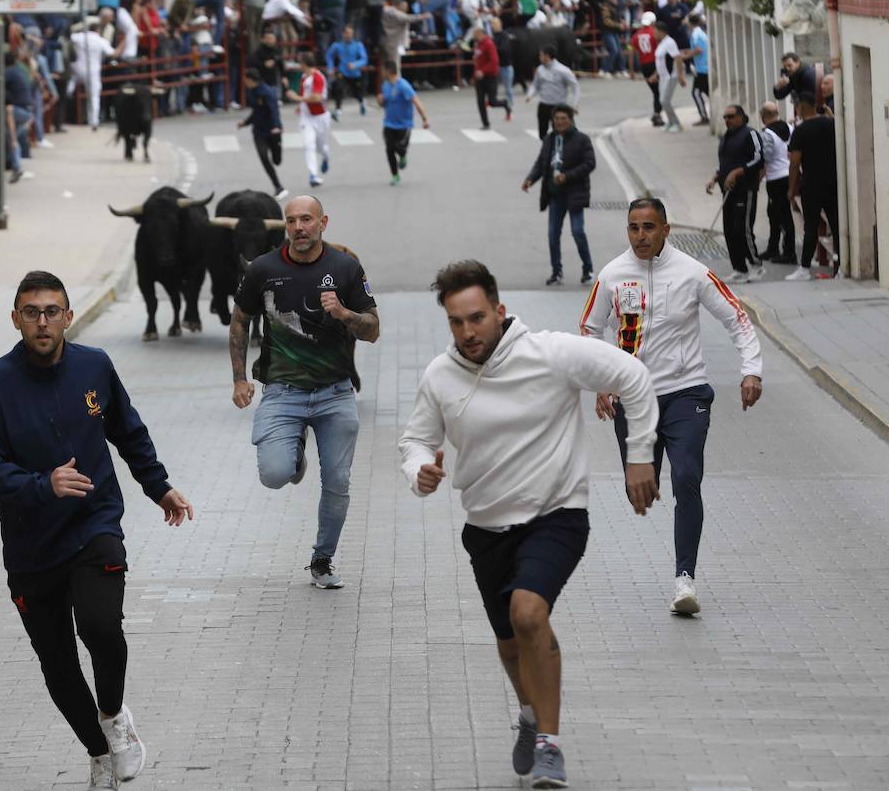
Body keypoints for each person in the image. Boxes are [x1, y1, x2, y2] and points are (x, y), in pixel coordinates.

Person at [401, 259, 658, 789]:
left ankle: (549, 744)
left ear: (499, 310)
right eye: (456, 322)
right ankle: (528, 713)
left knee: (529, 613)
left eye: (476, 318)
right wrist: (418, 469)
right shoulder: (440, 376)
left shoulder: (551, 353)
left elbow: (632, 376)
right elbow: (415, 439)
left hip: (556, 514)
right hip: (486, 525)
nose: (468, 332)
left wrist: (639, 456)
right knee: (509, 641)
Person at [0, 270, 194, 791]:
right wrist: (42, 484)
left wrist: (159, 488)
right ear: (16, 319)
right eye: (31, 312)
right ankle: (99, 753)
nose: (42, 322)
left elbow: (128, 431)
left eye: (52, 312)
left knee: (101, 626)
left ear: (68, 316)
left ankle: (113, 717)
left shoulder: (95, 366)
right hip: (30, 545)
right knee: (59, 665)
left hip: (94, 524)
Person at [582, 198, 764, 614]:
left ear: (666, 229)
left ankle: (685, 580)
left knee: (686, 479)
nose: (640, 236)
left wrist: (751, 370)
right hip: (634, 398)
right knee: (639, 490)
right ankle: (643, 476)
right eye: (633, 228)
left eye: (649, 227)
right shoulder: (612, 275)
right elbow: (590, 329)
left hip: (686, 392)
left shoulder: (693, 273)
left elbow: (736, 317)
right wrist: (601, 381)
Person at [229, 195, 379, 589]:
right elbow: (240, 321)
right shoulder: (264, 269)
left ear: (322, 222)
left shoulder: (345, 267)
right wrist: (240, 379)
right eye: (292, 221)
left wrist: (344, 313)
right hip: (283, 393)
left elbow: (373, 330)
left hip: (335, 394)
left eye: (307, 219)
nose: (299, 227)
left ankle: (322, 560)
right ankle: (293, 455)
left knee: (338, 482)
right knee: (275, 475)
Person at [523, 105, 595, 287]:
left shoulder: (582, 139)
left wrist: (567, 176)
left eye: (564, 118)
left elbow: (589, 163)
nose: (560, 122)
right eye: (557, 119)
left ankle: (587, 268)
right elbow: (541, 163)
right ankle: (557, 271)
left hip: (575, 193)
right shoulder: (550, 139)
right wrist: (530, 179)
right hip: (555, 195)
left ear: (570, 119)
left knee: (577, 231)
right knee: (553, 234)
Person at [703, 104, 764, 282]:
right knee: (729, 230)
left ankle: (756, 265)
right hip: (727, 190)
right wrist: (715, 177)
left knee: (742, 229)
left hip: (745, 189)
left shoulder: (750, 134)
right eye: (725, 117)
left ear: (741, 117)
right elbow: (724, 162)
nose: (727, 120)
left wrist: (737, 172)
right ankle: (739, 268)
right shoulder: (725, 137)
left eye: (730, 116)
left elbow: (759, 159)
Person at [786, 99, 839, 281]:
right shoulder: (832, 124)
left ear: (800, 108)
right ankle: (840, 268)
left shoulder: (800, 131)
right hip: (834, 182)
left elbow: (794, 163)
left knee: (811, 227)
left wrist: (791, 189)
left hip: (811, 184)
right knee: (836, 224)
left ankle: (805, 268)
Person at [377, 58, 430, 187]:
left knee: (399, 147)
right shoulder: (385, 85)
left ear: (389, 71)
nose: (382, 73)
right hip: (389, 123)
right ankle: (395, 175)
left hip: (404, 124)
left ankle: (403, 155)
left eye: (383, 70)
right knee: (389, 149)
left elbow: (416, 101)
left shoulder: (403, 85)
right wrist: (381, 101)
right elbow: (385, 104)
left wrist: (425, 118)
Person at [236, 68, 286, 199]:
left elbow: (274, 110)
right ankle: (278, 186)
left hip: (272, 130)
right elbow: (256, 111)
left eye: (245, 79)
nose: (244, 82)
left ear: (250, 79)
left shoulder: (267, 92)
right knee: (264, 157)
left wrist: (276, 126)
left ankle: (277, 151)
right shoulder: (251, 92)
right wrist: (245, 123)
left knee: (277, 160)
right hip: (258, 132)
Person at [756, 102, 796, 264]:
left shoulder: (767, 134)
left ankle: (788, 253)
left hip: (775, 179)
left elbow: (764, 159)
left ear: (763, 117)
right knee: (775, 213)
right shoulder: (790, 128)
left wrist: (757, 181)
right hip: (788, 174)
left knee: (782, 215)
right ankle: (773, 248)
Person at [288, 51, 332, 188]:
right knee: (309, 145)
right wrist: (299, 105)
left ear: (305, 63)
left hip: (320, 117)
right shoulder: (303, 77)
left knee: (321, 147)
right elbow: (303, 93)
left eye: (300, 62)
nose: (298, 65)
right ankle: (313, 174)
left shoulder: (318, 77)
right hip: (306, 118)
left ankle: (326, 157)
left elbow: (317, 98)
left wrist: (297, 98)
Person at [71, 19, 116, 131]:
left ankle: (63, 114)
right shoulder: (100, 40)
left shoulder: (78, 36)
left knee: (69, 88)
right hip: (93, 72)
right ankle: (94, 121)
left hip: (77, 70)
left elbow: (68, 36)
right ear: (98, 30)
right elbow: (113, 53)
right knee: (94, 97)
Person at [525, 46, 579, 139]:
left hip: (559, 106)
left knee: (564, 133)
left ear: (547, 56)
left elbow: (575, 87)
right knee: (542, 134)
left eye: (541, 55)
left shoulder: (563, 70)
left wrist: (574, 104)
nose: (539, 57)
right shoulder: (540, 69)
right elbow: (535, 84)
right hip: (544, 105)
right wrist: (530, 95)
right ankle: (548, 151)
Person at [471, 25, 513, 129]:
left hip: (490, 77)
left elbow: (494, 61)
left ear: (481, 34)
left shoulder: (489, 44)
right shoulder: (478, 45)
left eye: (475, 34)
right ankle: (485, 123)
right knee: (480, 100)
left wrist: (483, 71)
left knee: (492, 101)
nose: (474, 36)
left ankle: (505, 104)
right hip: (479, 78)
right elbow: (477, 61)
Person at [326, 24, 368, 119]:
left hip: (355, 73)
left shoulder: (358, 45)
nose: (349, 35)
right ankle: (338, 110)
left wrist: (355, 64)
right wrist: (331, 67)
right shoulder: (337, 45)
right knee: (339, 88)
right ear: (343, 34)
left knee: (356, 93)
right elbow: (329, 55)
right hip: (343, 72)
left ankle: (362, 102)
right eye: (347, 33)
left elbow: (364, 59)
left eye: (350, 33)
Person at [652, 21, 685, 132]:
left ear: (661, 32)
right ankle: (670, 123)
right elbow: (660, 61)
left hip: (671, 76)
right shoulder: (662, 43)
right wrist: (655, 74)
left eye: (655, 31)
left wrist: (680, 75)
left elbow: (678, 58)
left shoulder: (670, 42)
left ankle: (677, 123)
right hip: (663, 77)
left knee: (665, 100)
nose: (653, 33)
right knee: (663, 101)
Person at [632, 12, 663, 125]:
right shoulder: (654, 34)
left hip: (644, 65)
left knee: (655, 91)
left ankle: (657, 113)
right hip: (654, 63)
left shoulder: (636, 35)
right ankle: (657, 114)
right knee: (659, 92)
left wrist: (632, 71)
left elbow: (632, 53)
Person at [688, 15, 711, 125]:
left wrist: (686, 56)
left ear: (690, 22)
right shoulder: (701, 33)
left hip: (702, 68)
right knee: (708, 91)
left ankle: (704, 116)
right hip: (705, 66)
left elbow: (698, 49)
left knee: (696, 92)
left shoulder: (695, 34)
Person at [492, 17, 516, 113]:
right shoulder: (494, 36)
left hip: (506, 65)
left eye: (494, 24)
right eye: (492, 24)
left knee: (507, 87)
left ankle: (510, 104)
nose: (492, 26)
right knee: (494, 85)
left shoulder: (504, 35)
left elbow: (504, 49)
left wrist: (494, 48)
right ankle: (494, 101)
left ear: (499, 24)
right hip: (497, 65)